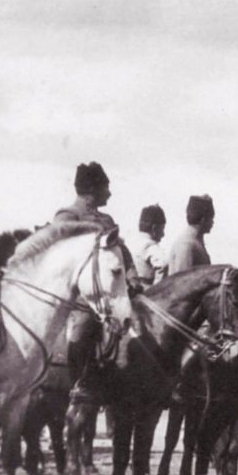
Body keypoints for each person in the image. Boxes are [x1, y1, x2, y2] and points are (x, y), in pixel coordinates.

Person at [52, 162, 121, 402]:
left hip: (109, 292)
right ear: (92, 188)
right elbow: (57, 257)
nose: (109, 193)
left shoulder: (107, 219)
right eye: (106, 187)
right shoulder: (67, 217)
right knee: (81, 331)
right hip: (80, 296)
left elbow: (122, 255)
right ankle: (77, 385)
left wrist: (132, 278)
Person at [165, 194, 214, 275]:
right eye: (211, 218)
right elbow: (182, 281)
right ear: (203, 220)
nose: (213, 222)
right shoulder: (186, 244)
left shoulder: (194, 242)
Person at [130, 204, 167, 287]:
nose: (163, 234)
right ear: (154, 229)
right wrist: (157, 288)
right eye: (162, 229)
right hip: (148, 293)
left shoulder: (134, 242)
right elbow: (163, 265)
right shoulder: (149, 245)